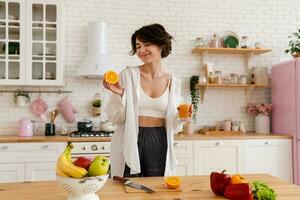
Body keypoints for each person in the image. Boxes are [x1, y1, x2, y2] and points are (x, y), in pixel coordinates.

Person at [103, 23, 185, 177]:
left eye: (147, 44)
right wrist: (121, 96)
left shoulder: (174, 83)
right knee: (127, 188)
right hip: (131, 138)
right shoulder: (127, 75)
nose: (141, 50)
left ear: (161, 44)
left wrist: (182, 117)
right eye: (138, 46)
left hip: (160, 140)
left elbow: (174, 126)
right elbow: (115, 118)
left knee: (156, 189)